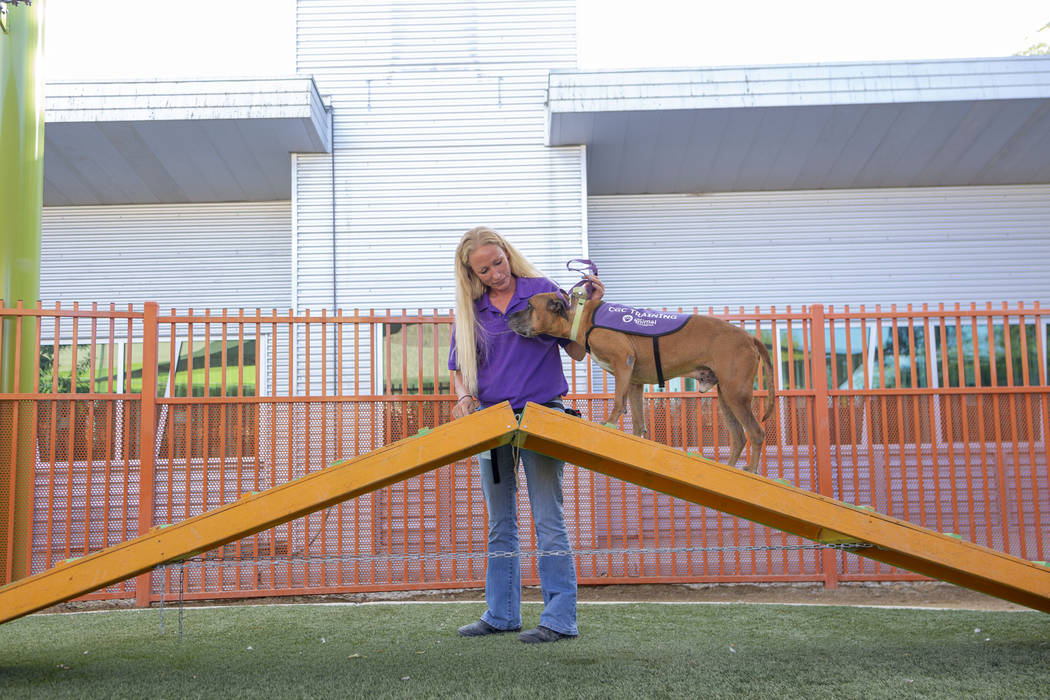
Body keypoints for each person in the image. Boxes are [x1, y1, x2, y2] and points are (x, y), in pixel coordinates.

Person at [448, 225, 602, 644]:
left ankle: (559, 619)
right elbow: (459, 370)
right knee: (500, 523)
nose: (496, 274)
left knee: (548, 520)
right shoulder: (471, 311)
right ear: (471, 275)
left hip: (543, 416)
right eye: (484, 270)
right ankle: (501, 615)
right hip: (492, 422)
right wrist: (463, 399)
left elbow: (577, 350)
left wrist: (576, 315)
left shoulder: (540, 290)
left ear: (507, 254)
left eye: (498, 262)